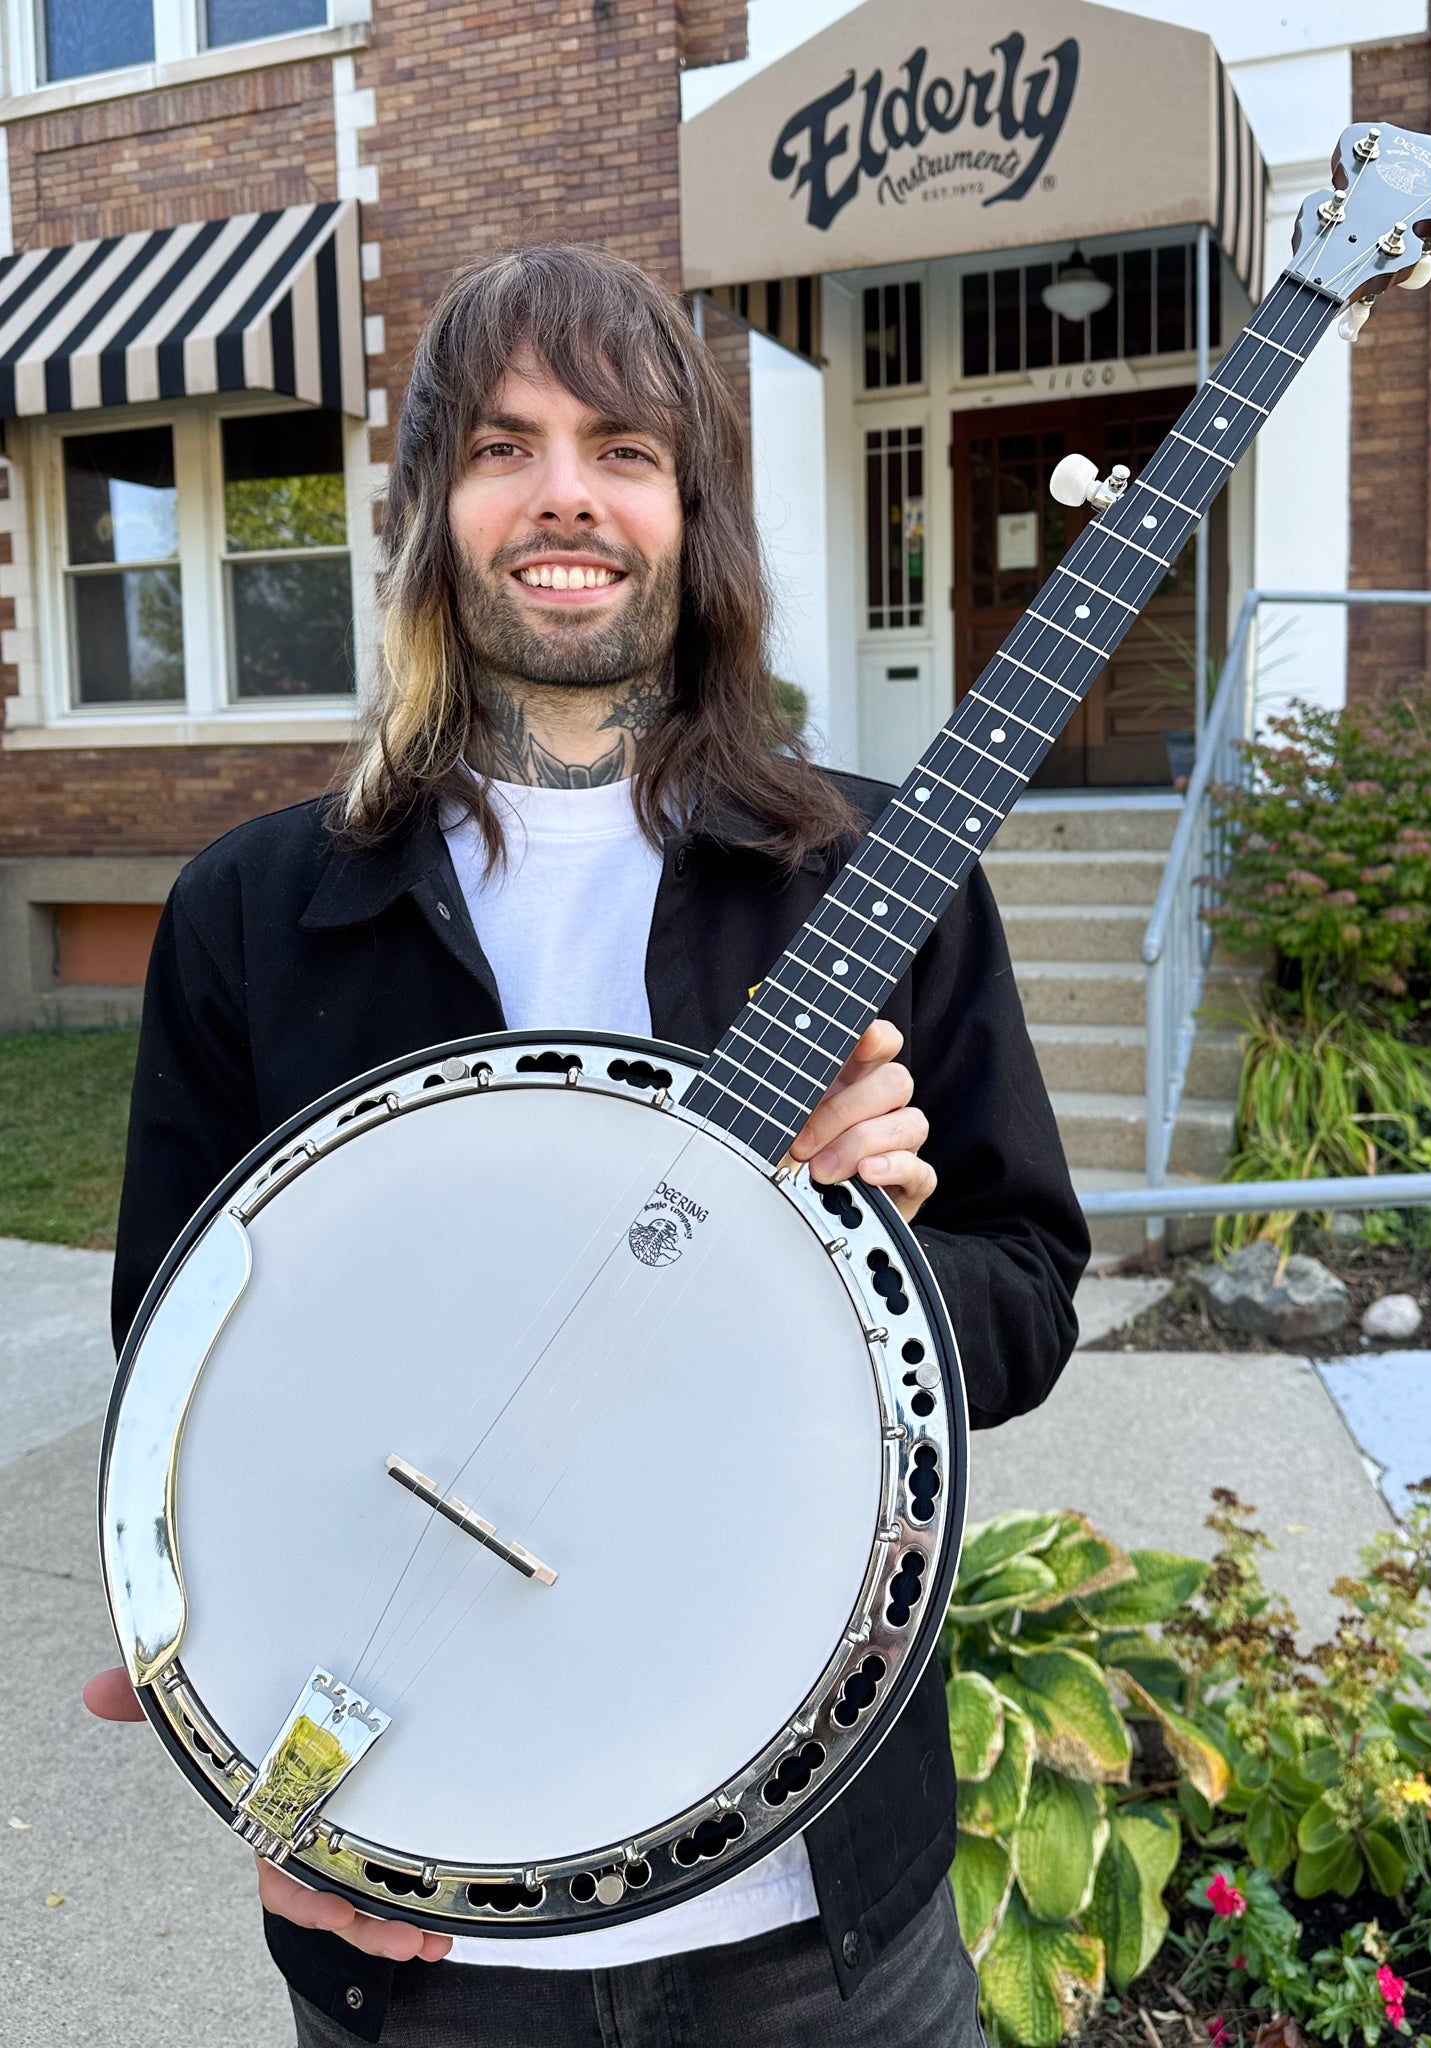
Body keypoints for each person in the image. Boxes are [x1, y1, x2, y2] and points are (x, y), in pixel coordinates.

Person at [86, 241, 1088, 2047]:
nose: (566, 494)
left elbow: (1023, 1300)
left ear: (695, 518)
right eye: (501, 446)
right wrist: (243, 1754)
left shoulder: (874, 875)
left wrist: (850, 1267)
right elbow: (180, 1375)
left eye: (624, 448)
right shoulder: (253, 911)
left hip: (816, 1933)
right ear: (422, 512)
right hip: (425, 1937)